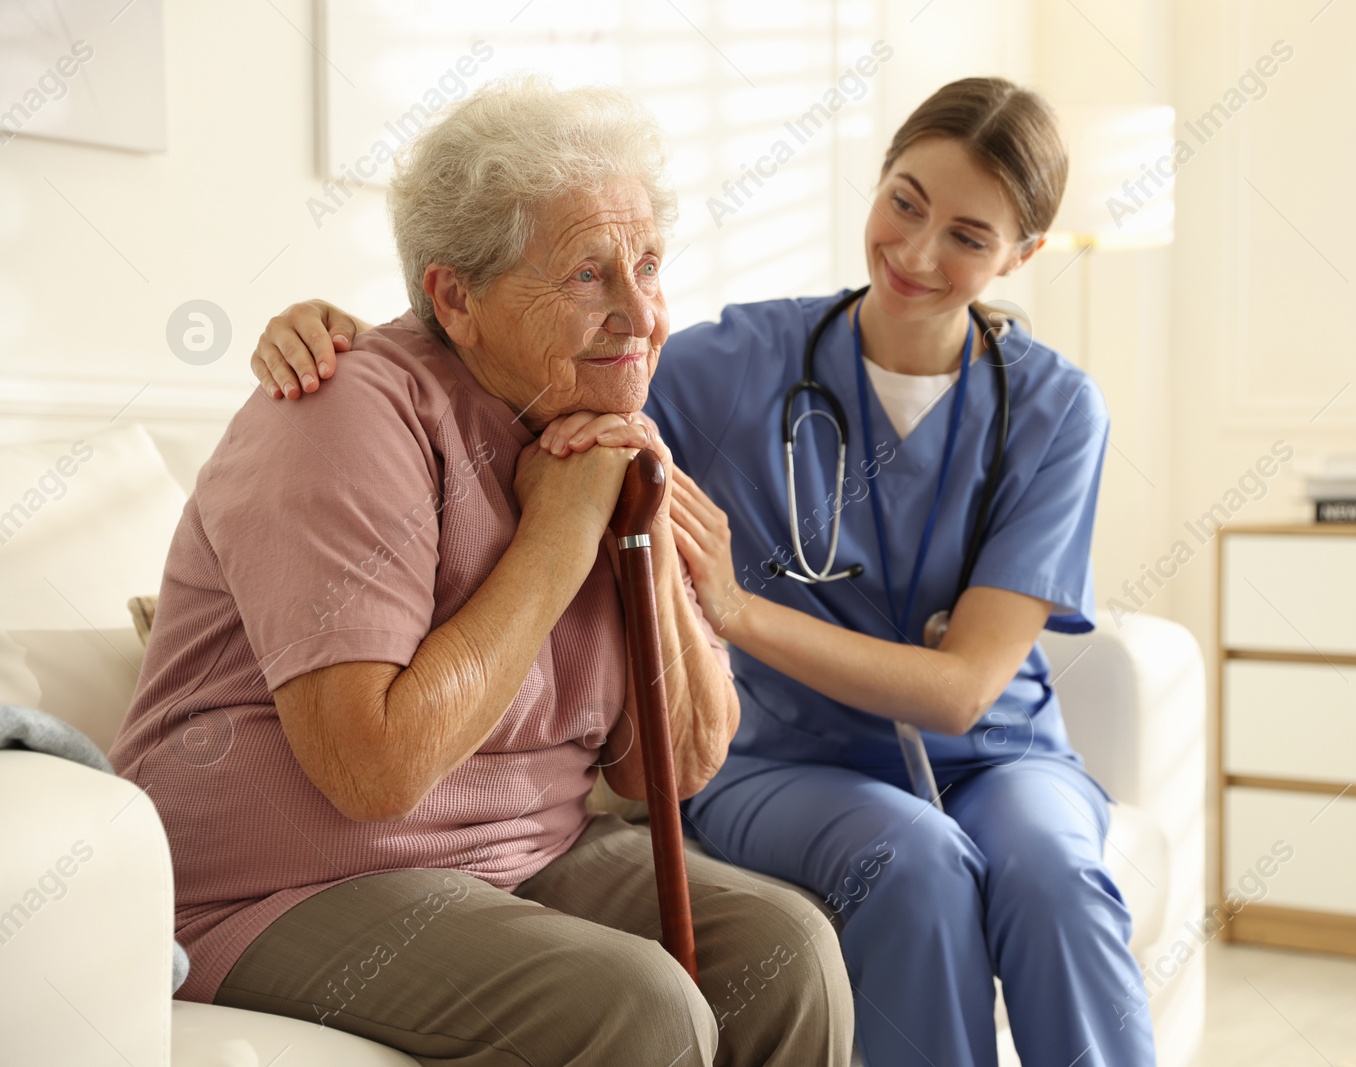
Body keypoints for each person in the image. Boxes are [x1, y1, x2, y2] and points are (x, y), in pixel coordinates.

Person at [251, 76, 1155, 1067]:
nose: (917, 250)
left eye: (969, 236)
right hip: (793, 755)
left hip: (997, 751)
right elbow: (518, 341)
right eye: (904, 200)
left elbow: (963, 690)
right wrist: (345, 329)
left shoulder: (1056, 408)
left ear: (1023, 254)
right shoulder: (732, 363)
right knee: (917, 863)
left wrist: (736, 609)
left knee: (1057, 873)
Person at [111, 76, 853, 1067]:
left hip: (522, 852)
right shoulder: (342, 412)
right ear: (454, 295)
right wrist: (558, 534)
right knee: (636, 1007)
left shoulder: (593, 417)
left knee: (788, 947)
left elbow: (670, 768)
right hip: (278, 887)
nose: (641, 315)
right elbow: (372, 768)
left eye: (647, 265)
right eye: (588, 275)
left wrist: (638, 505)